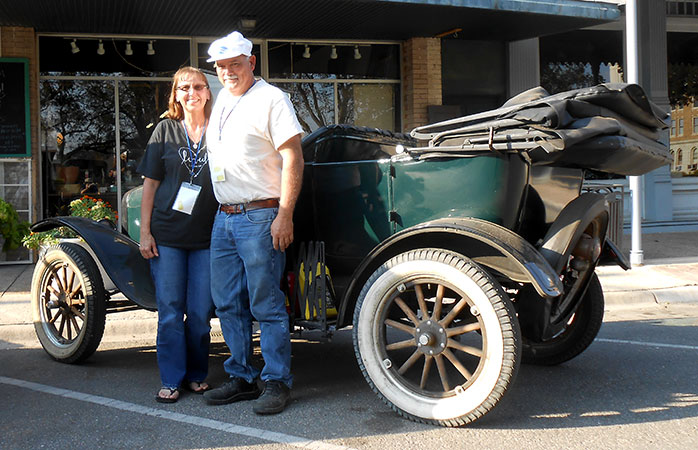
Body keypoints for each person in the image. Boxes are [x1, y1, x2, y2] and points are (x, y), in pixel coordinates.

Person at [202, 31, 304, 415]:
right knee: (227, 302)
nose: (228, 71)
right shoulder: (223, 101)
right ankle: (242, 377)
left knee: (266, 303)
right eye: (221, 66)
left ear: (252, 62)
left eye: (235, 64)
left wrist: (285, 214)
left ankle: (276, 381)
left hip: (261, 215)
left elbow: (293, 157)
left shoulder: (271, 99)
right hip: (224, 217)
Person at [137, 66, 218, 403]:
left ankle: (196, 374)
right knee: (170, 311)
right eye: (184, 87)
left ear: (208, 92)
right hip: (168, 236)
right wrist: (145, 233)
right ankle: (171, 378)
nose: (191, 93)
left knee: (200, 314)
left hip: (207, 237)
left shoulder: (220, 129)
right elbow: (150, 185)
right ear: (176, 94)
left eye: (198, 86)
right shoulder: (165, 130)